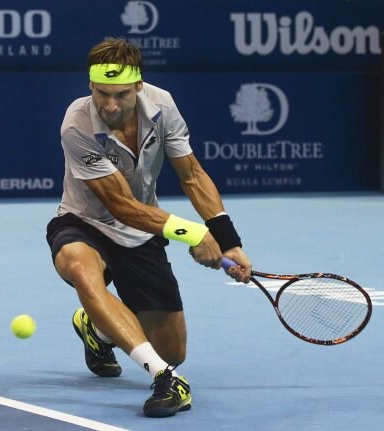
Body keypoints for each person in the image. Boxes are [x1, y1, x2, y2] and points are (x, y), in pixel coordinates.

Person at [46, 38, 252, 418]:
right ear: (90, 85)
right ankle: (165, 378)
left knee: (172, 350)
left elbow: (191, 175)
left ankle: (97, 329)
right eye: (101, 93)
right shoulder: (77, 124)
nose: (108, 105)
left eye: (120, 95)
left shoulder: (162, 104)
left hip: (142, 233)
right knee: (81, 270)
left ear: (138, 86)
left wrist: (227, 241)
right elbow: (121, 206)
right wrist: (192, 233)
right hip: (84, 222)